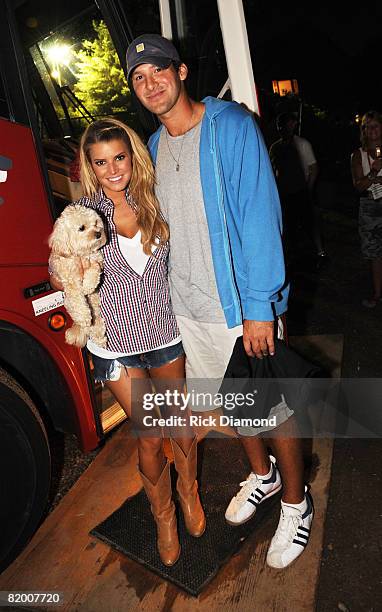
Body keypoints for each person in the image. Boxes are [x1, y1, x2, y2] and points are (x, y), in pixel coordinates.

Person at [126, 33, 313, 569]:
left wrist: (261, 306)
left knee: (273, 408)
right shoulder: (153, 147)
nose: (150, 83)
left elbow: (259, 216)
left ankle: (297, 504)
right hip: (186, 310)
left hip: (240, 307)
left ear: (181, 72)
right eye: (139, 78)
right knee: (234, 405)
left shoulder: (229, 126)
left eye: (158, 71)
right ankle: (262, 476)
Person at [49, 117, 205, 567]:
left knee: (179, 425)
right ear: (90, 167)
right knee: (151, 434)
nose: (113, 169)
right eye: (101, 163)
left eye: (119, 157)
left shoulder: (155, 199)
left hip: (165, 335)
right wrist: (65, 274)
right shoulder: (84, 217)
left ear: (131, 155)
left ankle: (188, 493)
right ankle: (164, 517)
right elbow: (59, 264)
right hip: (115, 344)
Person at [269, 111, 327, 269]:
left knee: (310, 224)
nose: (283, 127)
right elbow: (274, 171)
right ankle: (293, 256)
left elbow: (313, 168)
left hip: (302, 191)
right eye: (281, 124)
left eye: (287, 123)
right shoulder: (275, 147)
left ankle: (319, 253)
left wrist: (308, 189)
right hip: (285, 193)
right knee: (290, 227)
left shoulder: (302, 144)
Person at [350, 110, 382, 308]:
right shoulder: (357, 154)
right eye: (367, 126)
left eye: (375, 125)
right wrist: (373, 173)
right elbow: (358, 186)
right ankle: (377, 295)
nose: (372, 130)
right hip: (370, 207)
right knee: (375, 255)